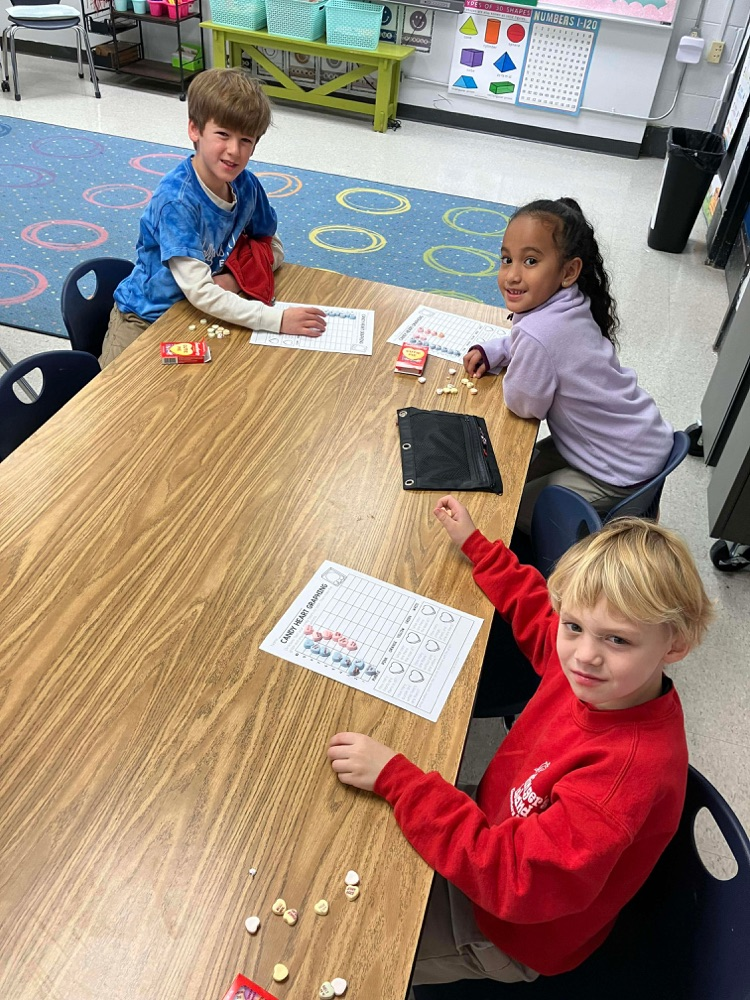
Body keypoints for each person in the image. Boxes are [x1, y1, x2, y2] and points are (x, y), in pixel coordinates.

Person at [328, 498, 713, 986]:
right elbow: (536, 610)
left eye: (618, 641)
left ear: (675, 645)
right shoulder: (597, 672)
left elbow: (515, 882)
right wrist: (478, 548)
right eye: (574, 626)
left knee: (348, 947)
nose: (584, 656)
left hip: (507, 929)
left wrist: (399, 782)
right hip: (497, 830)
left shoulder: (621, 778)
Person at [463, 197, 673, 533]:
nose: (512, 275)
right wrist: (495, 350)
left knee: (505, 510)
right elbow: (538, 343)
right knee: (515, 474)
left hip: (618, 471)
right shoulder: (570, 303)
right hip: (640, 439)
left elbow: (523, 403)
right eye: (506, 259)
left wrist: (513, 364)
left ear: (568, 271)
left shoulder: (539, 333)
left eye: (530, 261)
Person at [99, 68, 326, 367]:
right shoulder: (177, 200)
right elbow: (202, 291)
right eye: (223, 135)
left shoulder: (246, 185)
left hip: (196, 314)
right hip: (144, 320)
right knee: (122, 403)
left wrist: (234, 280)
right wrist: (278, 319)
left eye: (246, 140)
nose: (234, 151)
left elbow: (273, 246)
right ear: (195, 130)